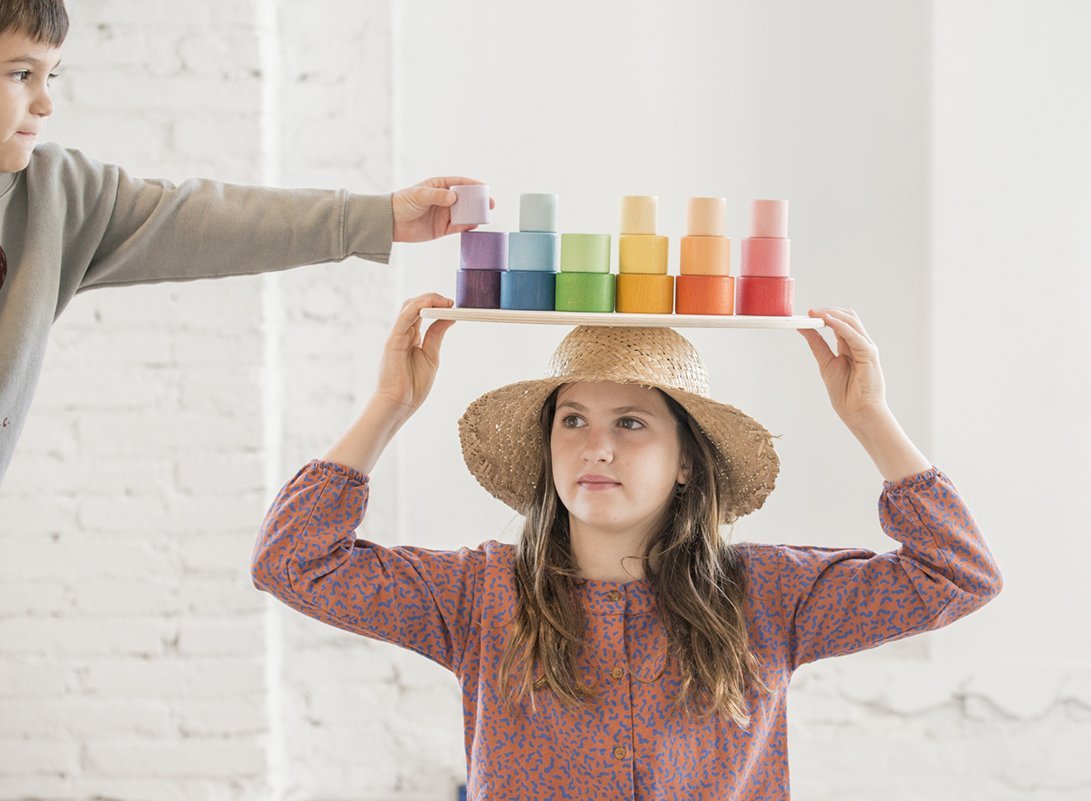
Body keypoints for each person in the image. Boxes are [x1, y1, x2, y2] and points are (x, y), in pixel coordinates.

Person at [251, 292, 1004, 800]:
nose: (595, 446)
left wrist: (870, 416)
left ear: (686, 462)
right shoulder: (479, 593)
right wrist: (390, 404)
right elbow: (293, 559)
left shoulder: (768, 595)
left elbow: (958, 572)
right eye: (572, 419)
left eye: (631, 422)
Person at [0, 0, 490, 485]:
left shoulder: (56, 195)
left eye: (51, 76)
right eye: (21, 74)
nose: (46, 103)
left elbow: (202, 219)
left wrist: (377, 217)